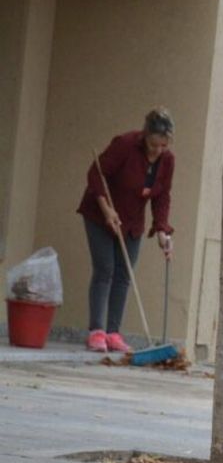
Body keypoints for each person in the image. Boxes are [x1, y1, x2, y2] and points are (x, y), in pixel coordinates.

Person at [77, 109, 175, 353]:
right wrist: (107, 210)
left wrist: (162, 230)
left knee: (124, 275)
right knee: (105, 270)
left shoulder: (167, 160)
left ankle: (113, 333)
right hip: (101, 214)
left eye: (163, 146)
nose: (157, 151)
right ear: (145, 136)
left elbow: (162, 197)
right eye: (154, 144)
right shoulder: (125, 145)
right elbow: (95, 174)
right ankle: (97, 332)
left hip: (132, 222)